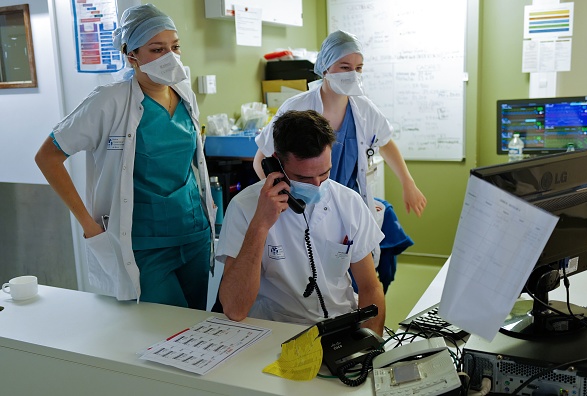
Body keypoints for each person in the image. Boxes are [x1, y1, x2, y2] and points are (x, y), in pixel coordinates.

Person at [34, 4, 215, 309]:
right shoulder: (110, 100)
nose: (170, 57)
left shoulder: (184, 93)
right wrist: (88, 225)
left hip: (193, 232)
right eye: (157, 49)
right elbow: (47, 157)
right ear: (131, 54)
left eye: (175, 47)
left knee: (196, 328)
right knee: (162, 329)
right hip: (142, 243)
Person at [216, 110, 385, 335]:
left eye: (324, 174)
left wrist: (369, 345)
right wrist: (261, 225)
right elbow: (235, 309)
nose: (316, 185)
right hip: (276, 333)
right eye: (304, 178)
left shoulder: (348, 202)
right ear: (276, 164)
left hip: (341, 325)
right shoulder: (244, 208)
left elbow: (370, 287)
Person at [254, 30, 427, 222]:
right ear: (325, 67)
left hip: (346, 208)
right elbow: (261, 158)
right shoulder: (297, 107)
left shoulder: (364, 109)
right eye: (345, 67)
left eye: (359, 68)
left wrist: (408, 183)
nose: (353, 74)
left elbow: (385, 142)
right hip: (301, 210)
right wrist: (280, 200)